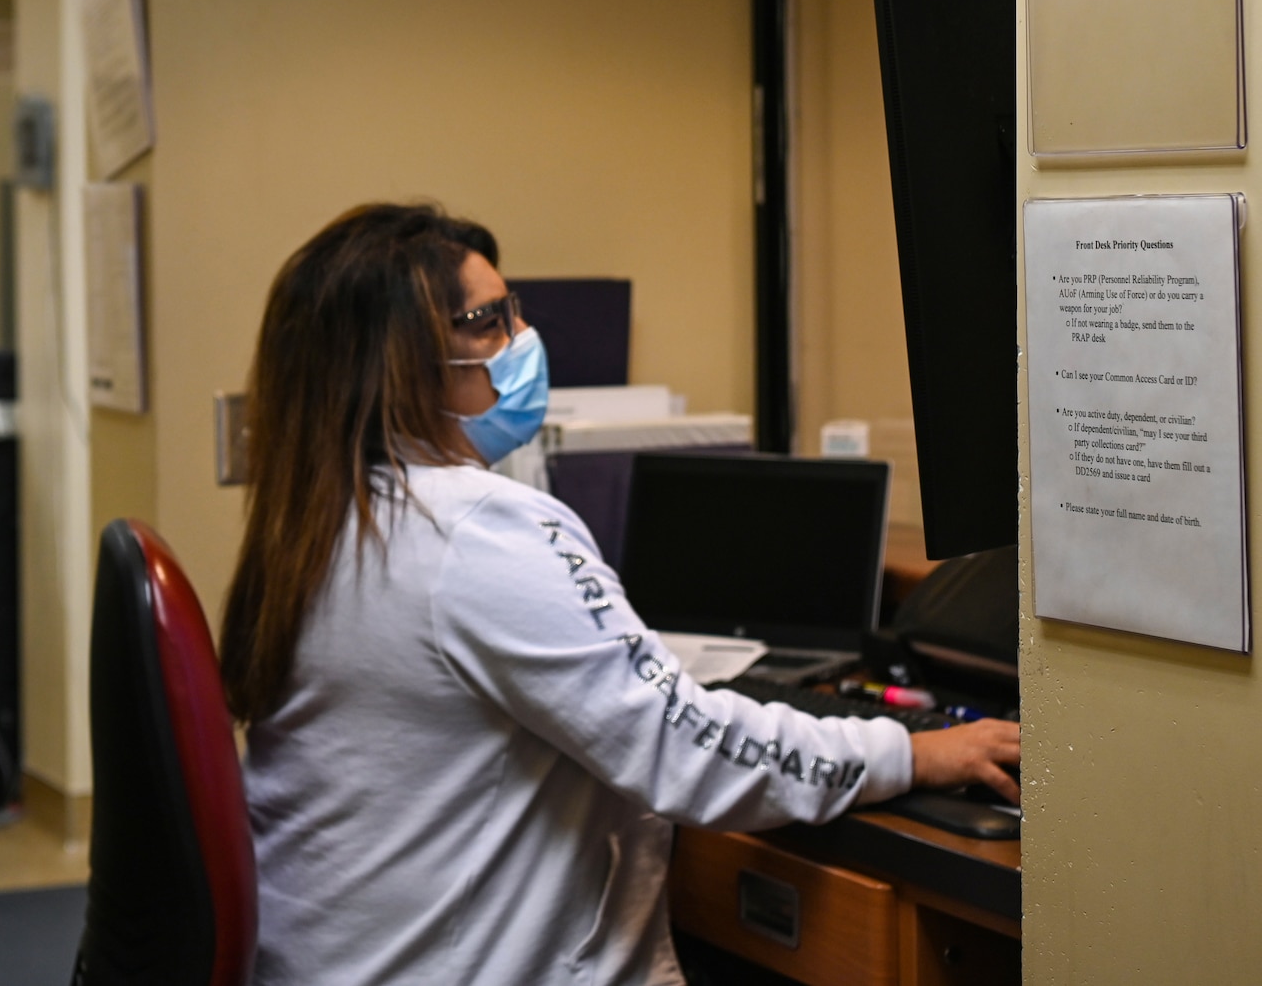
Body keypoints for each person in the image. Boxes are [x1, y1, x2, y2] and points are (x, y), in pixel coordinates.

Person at [221, 203, 1020, 986]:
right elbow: (685, 749)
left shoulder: (325, 520)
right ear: (400, 360)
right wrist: (906, 750)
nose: (524, 339)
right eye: (489, 320)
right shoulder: (480, 529)